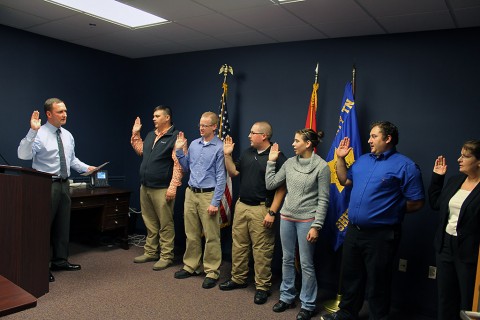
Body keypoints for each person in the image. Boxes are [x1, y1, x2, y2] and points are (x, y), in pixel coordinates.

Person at [322, 121, 425, 320]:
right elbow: (345, 181)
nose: (369, 140)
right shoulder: (362, 161)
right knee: (352, 277)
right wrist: (341, 159)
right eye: (369, 136)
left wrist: (390, 210)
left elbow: (417, 202)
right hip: (354, 231)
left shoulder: (406, 166)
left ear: (388, 139)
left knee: (379, 281)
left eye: (374, 136)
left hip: (382, 235)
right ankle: (346, 314)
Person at [18, 98, 95, 283]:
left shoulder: (67, 135)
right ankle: (39, 266)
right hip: (45, 185)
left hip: (64, 184)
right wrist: (32, 131)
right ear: (49, 114)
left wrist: (87, 168)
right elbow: (23, 155)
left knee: (63, 225)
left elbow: (72, 159)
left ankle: (60, 261)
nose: (65, 114)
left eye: (66, 111)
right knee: (42, 228)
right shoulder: (39, 133)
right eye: (60, 112)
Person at [219, 121, 287, 305]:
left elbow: (282, 189)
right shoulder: (248, 152)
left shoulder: (277, 157)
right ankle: (238, 279)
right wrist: (227, 155)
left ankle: (262, 287)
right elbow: (233, 172)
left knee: (262, 250)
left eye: (252, 133)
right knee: (239, 245)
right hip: (242, 206)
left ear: (263, 136)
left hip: (262, 208)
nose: (249, 135)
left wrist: (272, 212)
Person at [266, 128, 330, 320]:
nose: (293, 144)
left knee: (306, 263)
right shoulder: (289, 163)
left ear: (308, 144)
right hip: (286, 218)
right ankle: (287, 297)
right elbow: (271, 184)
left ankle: (308, 304)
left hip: (307, 221)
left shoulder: (322, 167)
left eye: (296, 141)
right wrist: (271, 162)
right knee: (286, 259)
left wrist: (316, 226)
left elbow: (324, 200)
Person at [173, 111, 226, 289]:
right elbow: (187, 167)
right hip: (191, 193)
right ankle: (191, 266)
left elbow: (221, 177)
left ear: (214, 127)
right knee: (191, 233)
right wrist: (180, 151)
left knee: (211, 235)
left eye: (205, 125)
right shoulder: (194, 144)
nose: (201, 128)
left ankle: (211, 271)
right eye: (200, 125)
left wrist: (215, 202)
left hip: (208, 195)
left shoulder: (219, 147)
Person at [429, 140, 480, 320]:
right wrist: (437, 178)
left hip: (469, 253)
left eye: (465, 156)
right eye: (460, 155)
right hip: (445, 247)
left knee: (467, 302)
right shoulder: (455, 181)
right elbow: (435, 204)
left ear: (478, 161)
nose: (459, 159)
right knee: (445, 298)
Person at [130, 106, 183, 270]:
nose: (153, 118)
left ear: (167, 118)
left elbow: (178, 165)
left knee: (165, 224)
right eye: (153, 115)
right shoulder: (151, 135)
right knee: (150, 222)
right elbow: (141, 151)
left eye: (157, 116)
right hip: (145, 186)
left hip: (162, 188)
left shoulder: (176, 136)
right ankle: (151, 252)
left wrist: (173, 187)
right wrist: (136, 134)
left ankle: (166, 256)